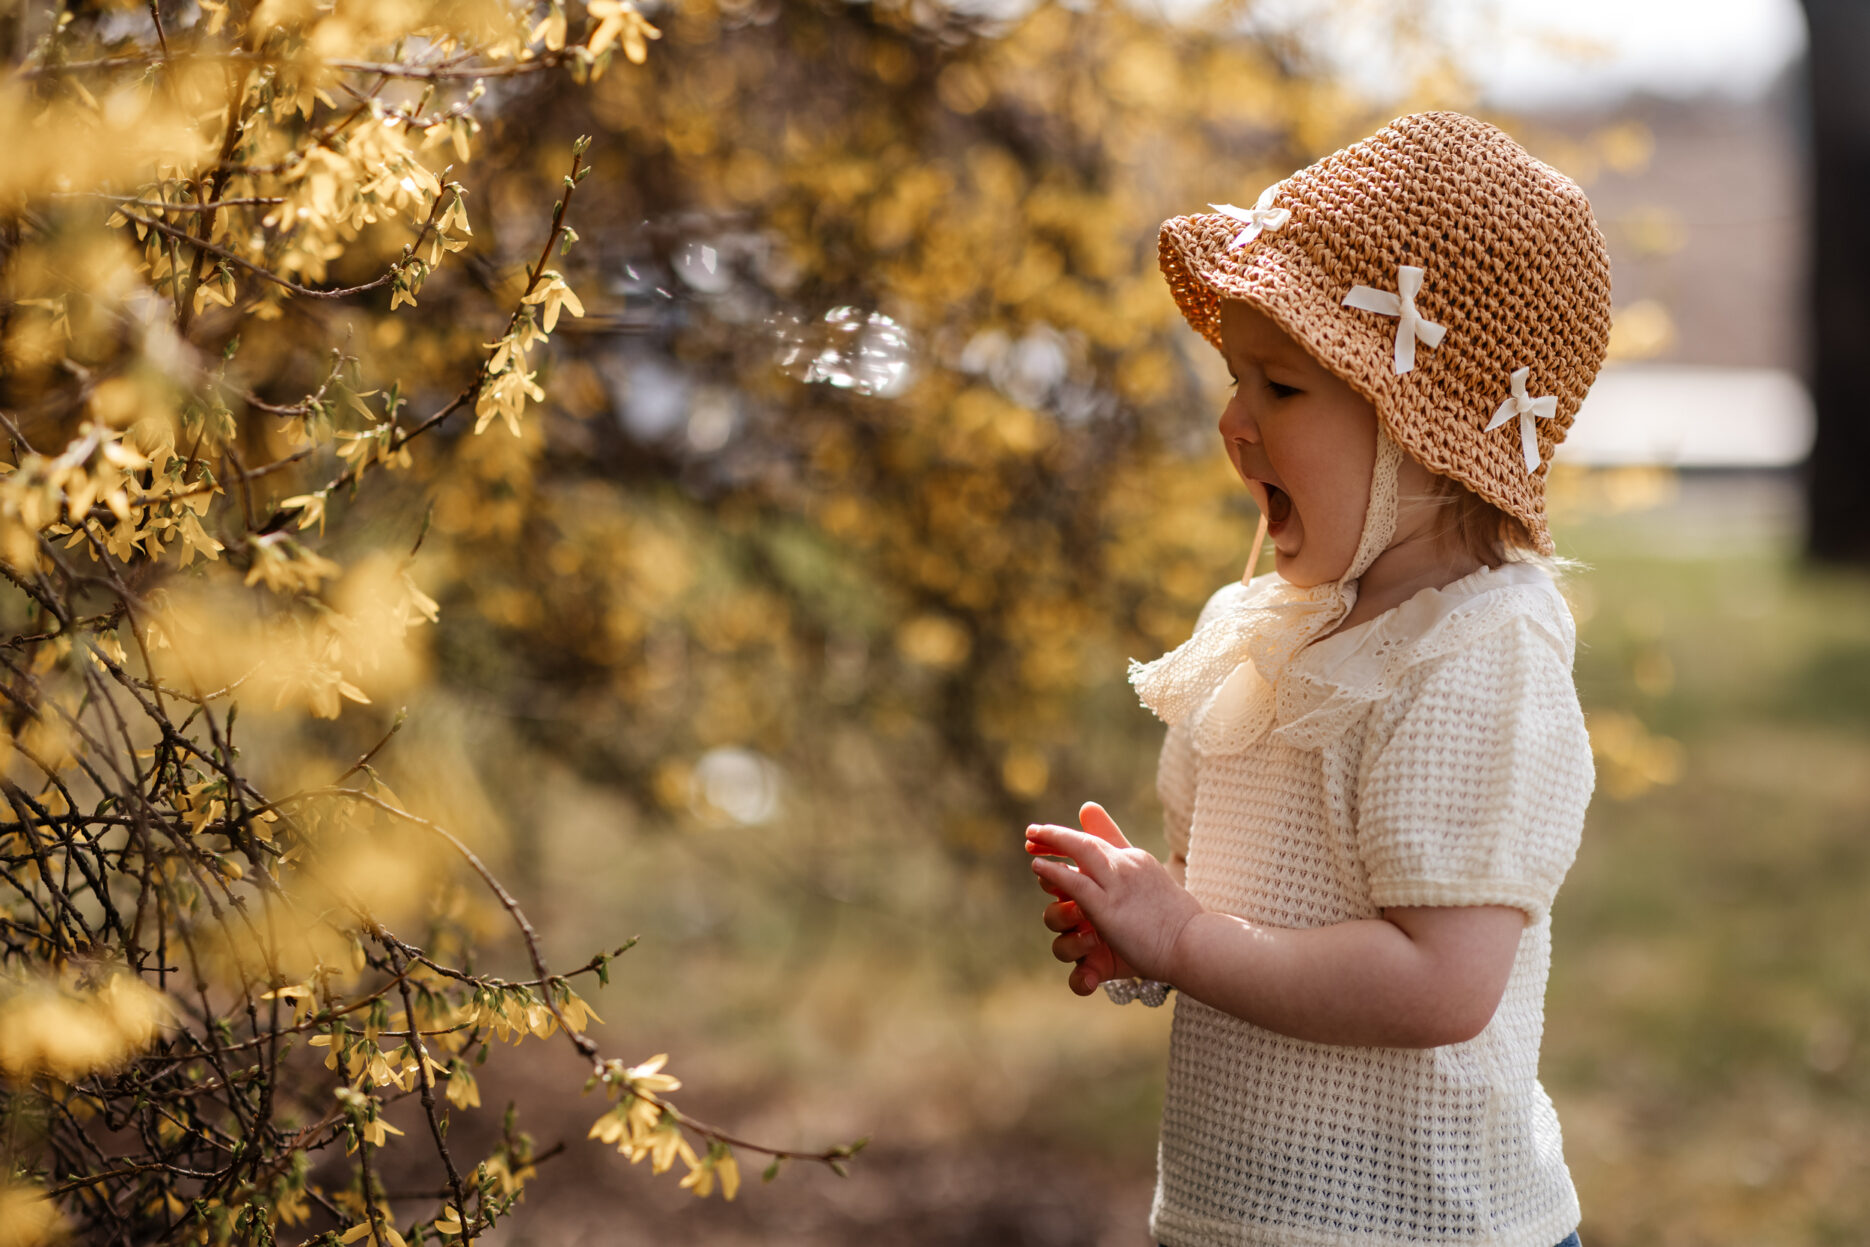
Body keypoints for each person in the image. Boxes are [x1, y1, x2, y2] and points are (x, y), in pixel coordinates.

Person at [1023, 111, 1608, 1247]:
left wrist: (1190, 939)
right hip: (1235, 1213)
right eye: (1236, 379)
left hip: (1424, 1226)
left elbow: (1440, 984)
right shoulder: (1265, 637)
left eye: (1281, 388)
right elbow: (1240, 901)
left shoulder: (1476, 653)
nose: (1234, 423)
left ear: (1424, 431)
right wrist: (1154, 919)